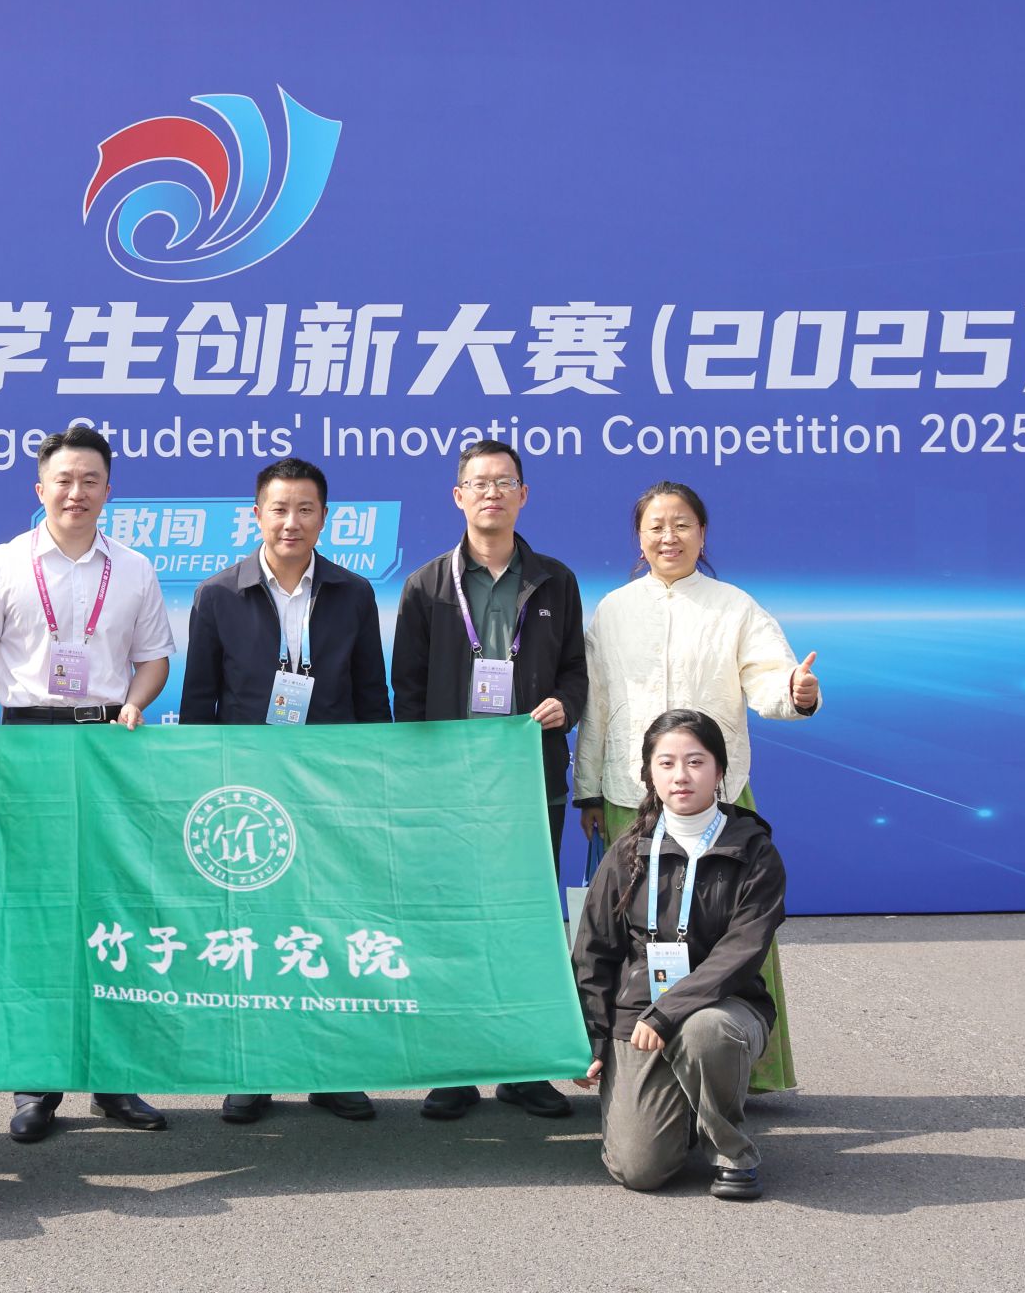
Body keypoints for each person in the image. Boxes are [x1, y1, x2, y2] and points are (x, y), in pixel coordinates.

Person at [0, 424, 177, 1142]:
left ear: (109, 490)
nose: (76, 492)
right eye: (63, 480)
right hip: (28, 744)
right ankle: (36, 1082)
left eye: (90, 480)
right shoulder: (2, 563)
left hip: (110, 744)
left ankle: (114, 1077)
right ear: (39, 487)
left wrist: (136, 702)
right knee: (39, 913)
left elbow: (155, 656)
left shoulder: (134, 569)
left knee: (112, 908)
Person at [573, 480, 818, 1092]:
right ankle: (628, 1063)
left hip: (716, 803)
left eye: (682, 525)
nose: (669, 537)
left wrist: (793, 693)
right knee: (628, 935)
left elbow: (769, 676)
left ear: (702, 535)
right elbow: (596, 707)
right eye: (656, 526)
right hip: (631, 799)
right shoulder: (613, 611)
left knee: (731, 934)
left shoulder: (734, 607)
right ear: (639, 538)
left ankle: (740, 1068)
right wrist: (588, 788)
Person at [179, 458, 389, 1124]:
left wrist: (374, 783)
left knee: (331, 926)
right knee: (254, 932)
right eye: (278, 508)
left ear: (324, 517)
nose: (291, 521)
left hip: (333, 790)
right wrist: (206, 789)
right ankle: (254, 1068)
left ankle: (333, 1068)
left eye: (305, 509)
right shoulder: (218, 594)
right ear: (257, 515)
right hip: (249, 797)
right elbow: (199, 703)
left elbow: (371, 696)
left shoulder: (353, 593)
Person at [391, 440, 587, 1121]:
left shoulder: (556, 581)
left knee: (526, 923)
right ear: (458, 496)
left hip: (531, 779)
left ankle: (524, 1068)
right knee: (453, 923)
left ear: (523, 495)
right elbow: (408, 691)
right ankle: (458, 1067)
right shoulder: (426, 585)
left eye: (504, 482)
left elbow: (576, 672)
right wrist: (422, 781)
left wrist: (566, 705)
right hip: (451, 788)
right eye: (478, 483)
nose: (491, 493)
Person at [572, 710, 784, 1200]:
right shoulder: (627, 851)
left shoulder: (753, 851)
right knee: (639, 1170)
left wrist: (669, 1011)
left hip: (726, 1007)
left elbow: (742, 951)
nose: (681, 775)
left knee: (707, 1030)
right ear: (649, 773)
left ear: (720, 769)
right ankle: (682, 1108)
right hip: (639, 1016)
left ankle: (731, 1152)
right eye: (666, 763)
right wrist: (593, 1038)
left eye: (695, 761)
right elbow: (594, 952)